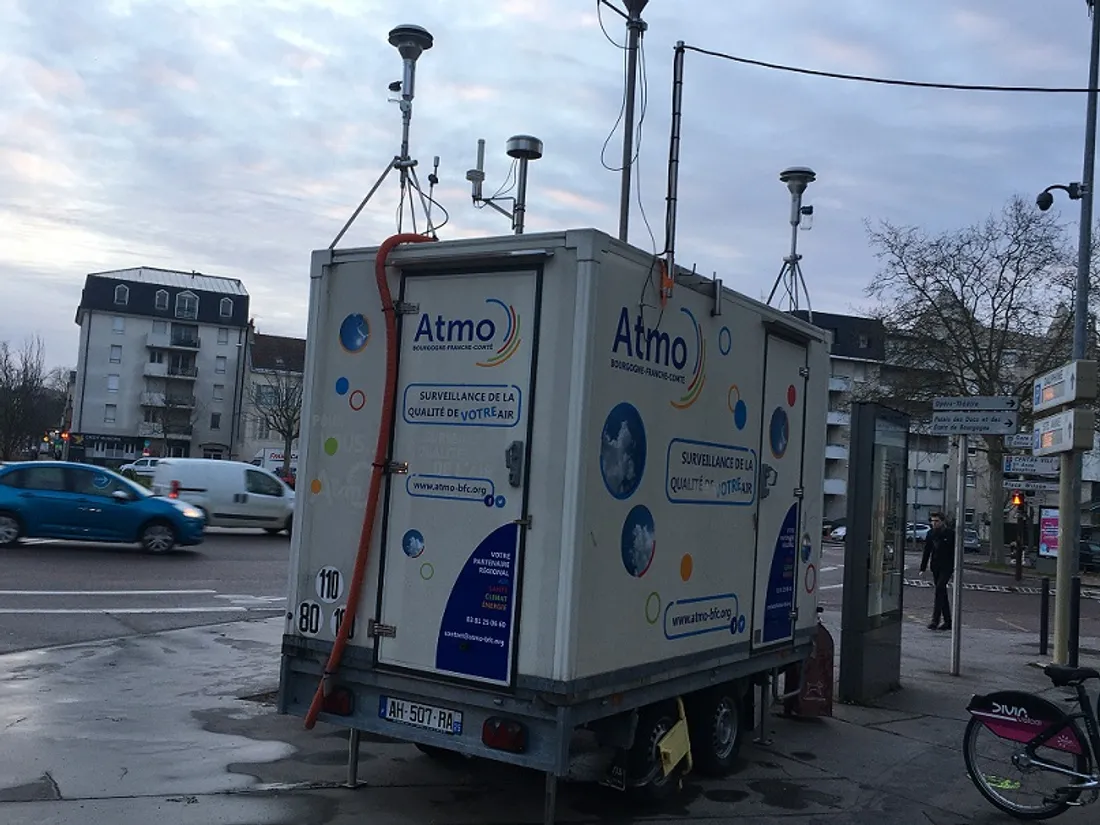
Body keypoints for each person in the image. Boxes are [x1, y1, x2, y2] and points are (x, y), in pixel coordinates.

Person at [919, 512, 955, 631]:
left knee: (940, 588)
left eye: (937, 521)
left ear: (942, 521)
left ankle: (935, 620)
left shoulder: (950, 534)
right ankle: (948, 621)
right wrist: (922, 567)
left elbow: (954, 552)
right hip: (935, 566)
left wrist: (955, 567)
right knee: (941, 592)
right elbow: (927, 551)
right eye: (932, 521)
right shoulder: (930, 534)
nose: (934, 523)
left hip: (947, 566)